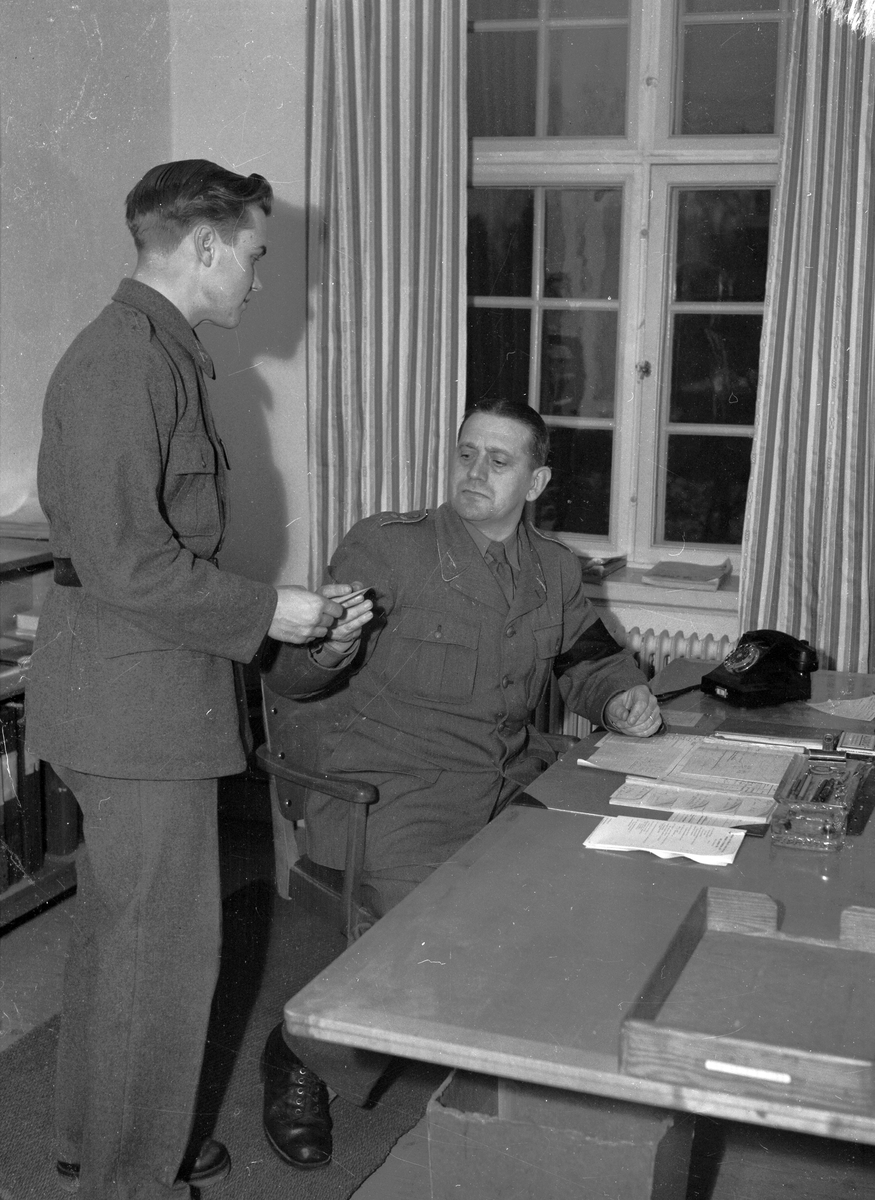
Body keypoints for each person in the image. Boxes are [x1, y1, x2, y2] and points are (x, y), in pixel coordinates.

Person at [24, 160, 371, 1200]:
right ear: (205, 245)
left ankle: (99, 1145)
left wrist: (272, 611)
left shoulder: (156, 353)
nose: (259, 279)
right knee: (160, 957)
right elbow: (128, 562)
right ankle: (130, 1179)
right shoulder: (125, 362)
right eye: (253, 256)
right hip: (133, 709)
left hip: (135, 694)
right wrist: (270, 610)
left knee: (121, 941)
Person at [257, 398, 662, 1169]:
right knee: (435, 935)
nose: (475, 471)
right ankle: (301, 1051)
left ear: (535, 481)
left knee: (605, 885)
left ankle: (533, 1088)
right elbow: (294, 675)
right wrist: (328, 646)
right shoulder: (388, 548)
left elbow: (585, 658)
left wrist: (619, 696)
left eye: (498, 460)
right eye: (466, 453)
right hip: (392, 788)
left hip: (507, 784)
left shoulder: (553, 569)